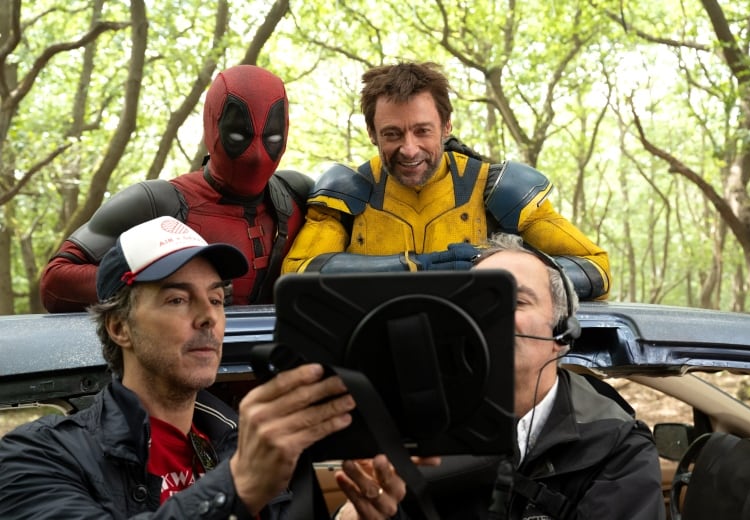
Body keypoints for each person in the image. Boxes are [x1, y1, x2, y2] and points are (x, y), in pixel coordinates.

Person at [0, 216, 407, 519]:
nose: (208, 317)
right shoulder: (38, 455)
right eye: (177, 299)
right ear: (120, 327)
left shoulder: (243, 444)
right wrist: (238, 486)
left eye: (215, 299)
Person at [281, 61, 610, 301]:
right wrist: (415, 268)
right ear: (372, 134)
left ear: (447, 126)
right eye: (392, 134)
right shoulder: (347, 191)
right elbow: (295, 276)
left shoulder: (498, 189)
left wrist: (503, 276)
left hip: (481, 358)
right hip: (371, 358)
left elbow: (596, 269)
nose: (409, 149)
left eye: (422, 130)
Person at [414, 232, 664, 519]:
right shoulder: (426, 432)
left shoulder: (618, 448)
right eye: (476, 302)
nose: (489, 316)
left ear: (561, 331)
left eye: (516, 301)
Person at [41, 64, 312, 312]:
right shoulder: (155, 204)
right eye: (239, 135)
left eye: (272, 137)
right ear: (212, 124)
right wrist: (161, 283)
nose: (256, 155)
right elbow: (55, 282)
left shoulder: (299, 196)